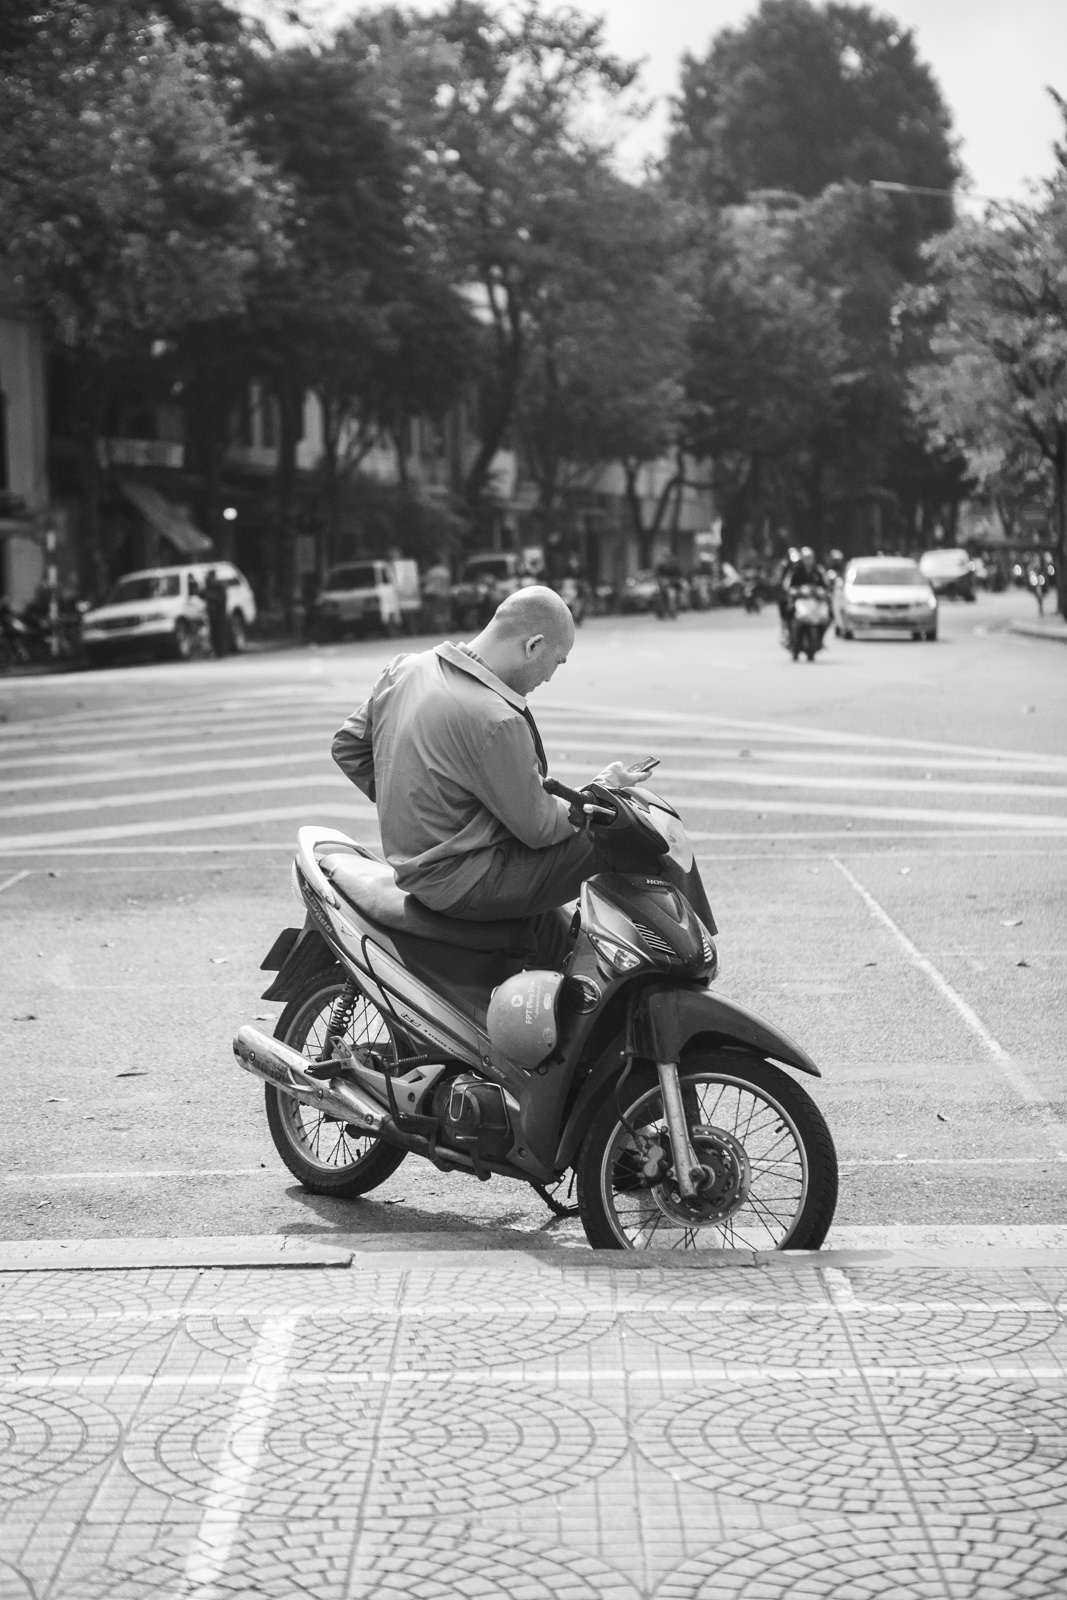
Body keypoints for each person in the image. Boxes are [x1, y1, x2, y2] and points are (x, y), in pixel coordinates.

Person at [332, 586, 643, 965]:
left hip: (415, 869)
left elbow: (347, 748)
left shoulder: (405, 669)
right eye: (556, 662)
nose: (549, 677)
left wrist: (415, 798)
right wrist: (596, 798)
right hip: (466, 882)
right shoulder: (497, 719)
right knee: (625, 839)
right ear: (533, 646)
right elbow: (540, 827)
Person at [203, 568, 230, 657]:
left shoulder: (219, 585)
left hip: (219, 614)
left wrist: (212, 597)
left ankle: (222, 652)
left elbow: (223, 598)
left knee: (220, 633)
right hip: (212, 614)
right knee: (214, 634)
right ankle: (216, 651)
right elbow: (202, 594)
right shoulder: (208, 586)